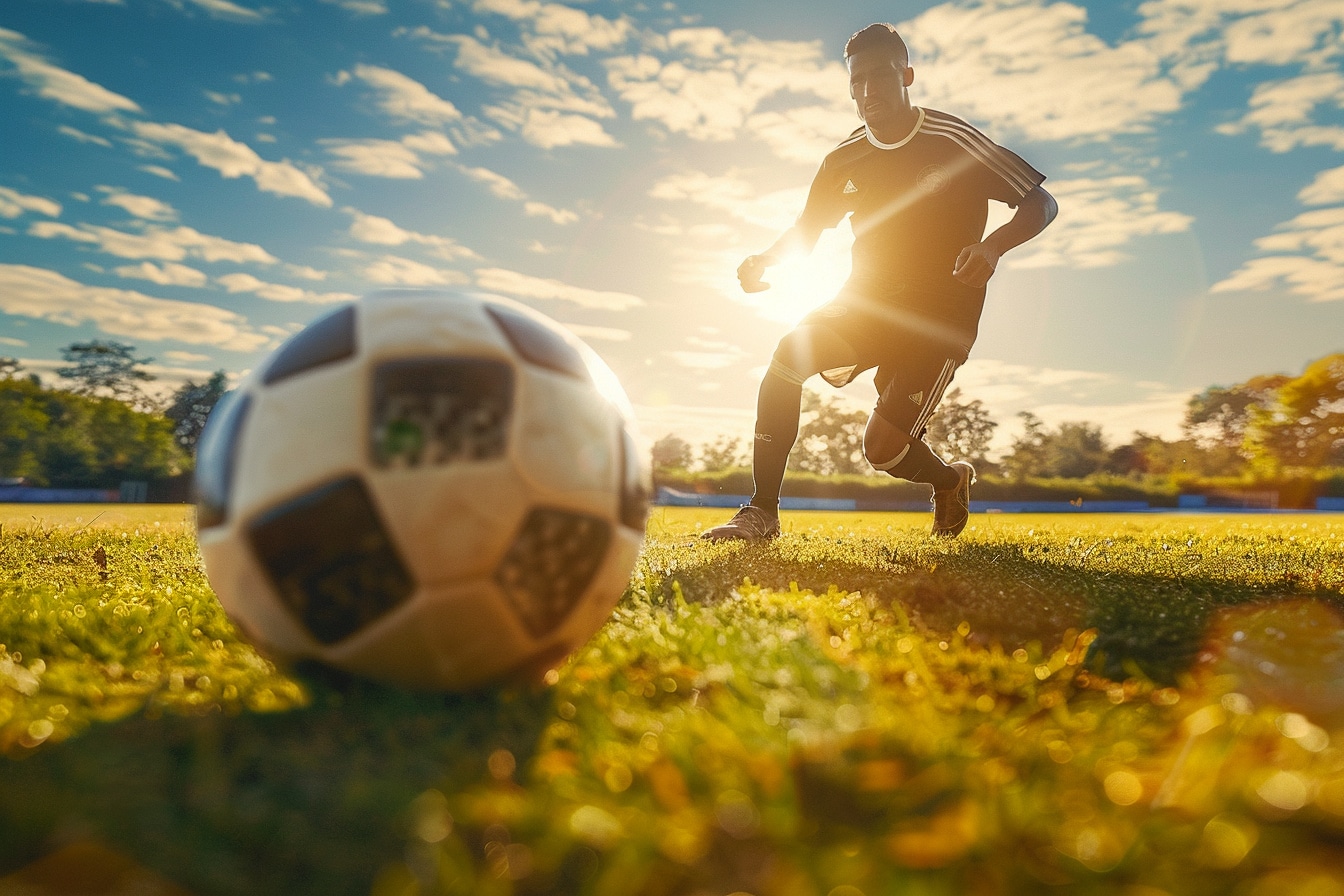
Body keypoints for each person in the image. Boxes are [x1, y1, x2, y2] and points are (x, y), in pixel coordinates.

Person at [703, 23, 1057, 542]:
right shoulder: (842, 160)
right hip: (865, 302)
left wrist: (992, 247)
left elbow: (1040, 201)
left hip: (940, 319)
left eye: (881, 77)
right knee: (788, 353)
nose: (869, 92)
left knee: (882, 451)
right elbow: (808, 228)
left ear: (907, 75)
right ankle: (761, 513)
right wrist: (766, 260)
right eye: (858, 82)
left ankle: (949, 479)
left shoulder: (952, 140)